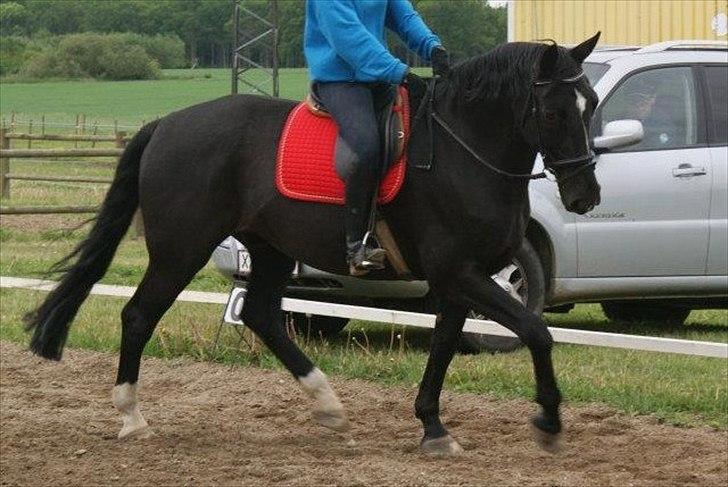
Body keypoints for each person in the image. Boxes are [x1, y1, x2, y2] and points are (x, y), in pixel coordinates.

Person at [304, 0, 450, 276]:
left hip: (378, 79)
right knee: (367, 147)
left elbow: (404, 16)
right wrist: (400, 72)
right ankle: (356, 246)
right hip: (341, 81)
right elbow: (348, 38)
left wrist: (433, 47)